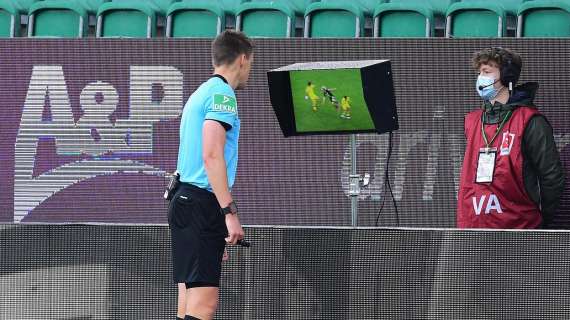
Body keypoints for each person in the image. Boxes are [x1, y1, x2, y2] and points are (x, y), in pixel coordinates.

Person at [168, 30, 253, 320]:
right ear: (243, 59)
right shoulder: (222, 94)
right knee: (204, 304)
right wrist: (228, 213)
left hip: (184, 201)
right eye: (250, 63)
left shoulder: (200, 92)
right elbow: (212, 154)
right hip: (201, 204)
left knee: (188, 299)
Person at [457, 47, 565, 229]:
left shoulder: (530, 120)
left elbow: (552, 176)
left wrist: (540, 217)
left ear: (506, 77)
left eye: (487, 71)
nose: (480, 77)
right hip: (472, 226)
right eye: (479, 72)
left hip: (519, 227)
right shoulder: (472, 120)